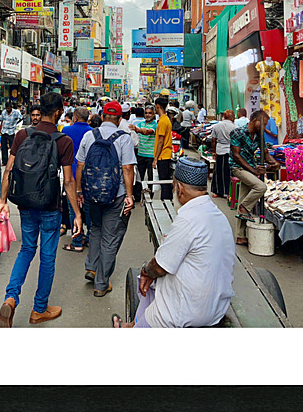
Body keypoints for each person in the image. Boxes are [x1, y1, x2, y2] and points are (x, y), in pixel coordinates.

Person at [112, 158, 235, 328]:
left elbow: (161, 265)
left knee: (150, 280)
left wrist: (146, 271)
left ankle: (137, 327)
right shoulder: (218, 215)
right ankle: (133, 324)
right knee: (154, 281)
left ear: (179, 188)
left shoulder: (188, 219)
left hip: (189, 312)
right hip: (215, 308)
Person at [0, 92, 81, 327]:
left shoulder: (23, 134)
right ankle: (39, 310)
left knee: (26, 250)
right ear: (57, 113)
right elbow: (69, 181)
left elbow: (9, 170)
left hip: (25, 203)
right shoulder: (63, 141)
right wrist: (77, 214)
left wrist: (3, 201)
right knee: (47, 257)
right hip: (50, 206)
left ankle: (11, 298)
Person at [76, 101, 136, 297]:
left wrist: (79, 191)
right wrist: (129, 195)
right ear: (119, 120)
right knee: (110, 238)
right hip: (115, 195)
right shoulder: (124, 138)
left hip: (91, 194)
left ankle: (91, 267)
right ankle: (101, 284)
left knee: (95, 228)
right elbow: (127, 168)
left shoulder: (88, 136)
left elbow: (80, 165)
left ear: (102, 117)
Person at [229, 110, 280, 245]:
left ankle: (240, 236)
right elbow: (236, 155)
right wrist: (253, 170)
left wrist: (274, 162)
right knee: (260, 186)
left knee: (243, 199)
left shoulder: (259, 135)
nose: (264, 127)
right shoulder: (238, 132)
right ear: (255, 120)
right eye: (263, 124)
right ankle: (244, 208)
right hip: (238, 168)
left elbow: (265, 153)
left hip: (250, 168)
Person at [61, 107, 93, 253]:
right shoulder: (94, 132)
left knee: (74, 209)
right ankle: (91, 238)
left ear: (75, 117)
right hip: (90, 176)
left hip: (71, 176)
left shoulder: (66, 131)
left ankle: (77, 240)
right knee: (88, 209)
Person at [132, 105, 158, 200]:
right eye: (146, 113)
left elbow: (148, 132)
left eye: (150, 113)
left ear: (153, 114)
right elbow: (135, 130)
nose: (147, 115)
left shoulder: (155, 124)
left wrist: (138, 130)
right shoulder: (141, 123)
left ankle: (150, 195)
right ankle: (137, 196)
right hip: (141, 153)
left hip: (151, 155)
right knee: (139, 177)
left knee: (151, 178)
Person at [210, 110, 236, 198]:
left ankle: (217, 192)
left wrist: (213, 151)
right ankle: (228, 192)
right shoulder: (234, 127)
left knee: (218, 170)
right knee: (228, 171)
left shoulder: (217, 126)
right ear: (232, 117)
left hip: (219, 149)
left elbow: (213, 140)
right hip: (230, 150)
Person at [153, 96, 174, 200]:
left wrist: (155, 158)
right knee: (166, 181)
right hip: (166, 154)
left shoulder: (162, 122)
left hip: (163, 155)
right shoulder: (166, 119)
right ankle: (168, 201)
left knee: (163, 181)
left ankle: (165, 202)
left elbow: (160, 141)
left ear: (157, 106)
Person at [0, 102, 21, 167]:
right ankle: (4, 161)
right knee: (3, 147)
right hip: (4, 131)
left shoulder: (16, 112)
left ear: (11, 107)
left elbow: (21, 117)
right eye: (7, 108)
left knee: (12, 146)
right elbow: (2, 121)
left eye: (9, 108)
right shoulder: (3, 112)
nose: (8, 109)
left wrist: (16, 124)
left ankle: (14, 161)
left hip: (11, 131)